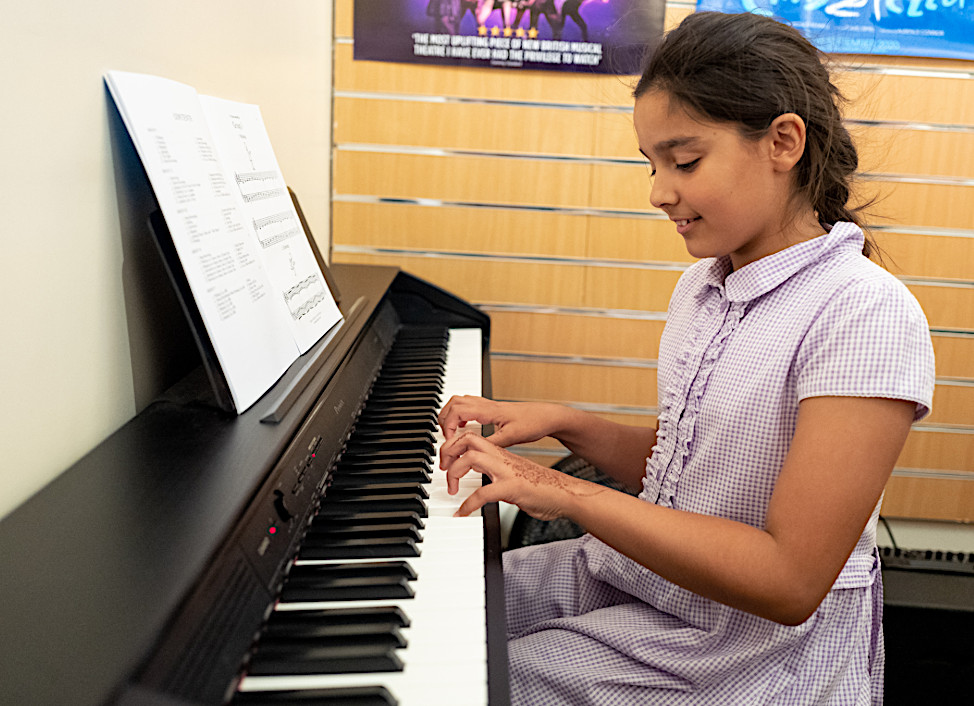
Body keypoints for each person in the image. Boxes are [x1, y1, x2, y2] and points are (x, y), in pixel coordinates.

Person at [438, 10, 935, 705]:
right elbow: (695, 474)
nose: (658, 191)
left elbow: (788, 581)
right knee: (448, 595)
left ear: (783, 142)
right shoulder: (701, 287)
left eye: (685, 161)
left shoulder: (863, 312)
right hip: (644, 580)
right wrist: (565, 422)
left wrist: (560, 490)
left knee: (460, 679)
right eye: (651, 164)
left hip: (743, 651)